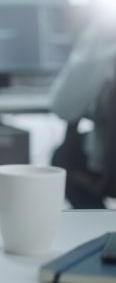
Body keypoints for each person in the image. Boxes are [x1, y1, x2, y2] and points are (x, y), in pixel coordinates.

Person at [50, 12, 116, 208]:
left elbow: (64, 108)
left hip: (106, 169)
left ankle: (95, 227)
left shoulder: (108, 29)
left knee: (64, 156)